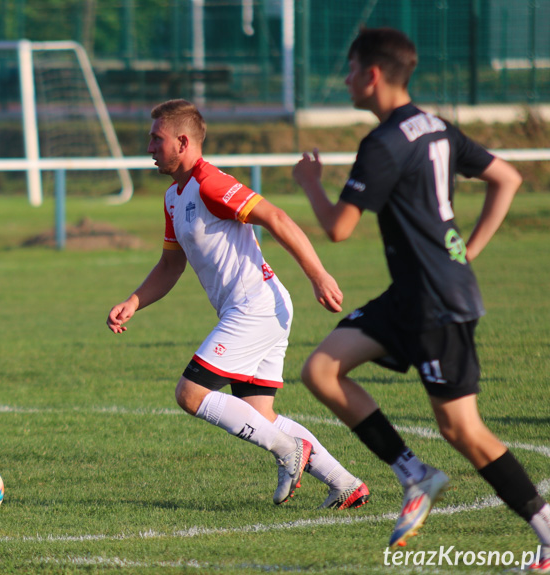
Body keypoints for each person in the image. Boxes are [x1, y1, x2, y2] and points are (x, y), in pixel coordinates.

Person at [292, 27, 550, 566]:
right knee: (320, 371)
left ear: (374, 74)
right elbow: (506, 178)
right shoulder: (435, 126)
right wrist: (467, 251)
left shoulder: (384, 142)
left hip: (437, 302)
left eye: (350, 67)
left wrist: (311, 182)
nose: (345, 79)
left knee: (462, 428)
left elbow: (339, 228)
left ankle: (547, 531)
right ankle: (416, 476)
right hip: (411, 293)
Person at [106, 99, 370, 510]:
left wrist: (318, 275)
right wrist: (134, 302)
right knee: (258, 413)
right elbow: (170, 265)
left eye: (156, 139)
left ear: (182, 141)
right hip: (255, 308)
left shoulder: (211, 183)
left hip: (255, 307)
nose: (149, 147)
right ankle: (345, 483)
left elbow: (276, 218)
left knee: (191, 393)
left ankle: (288, 451)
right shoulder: (174, 198)